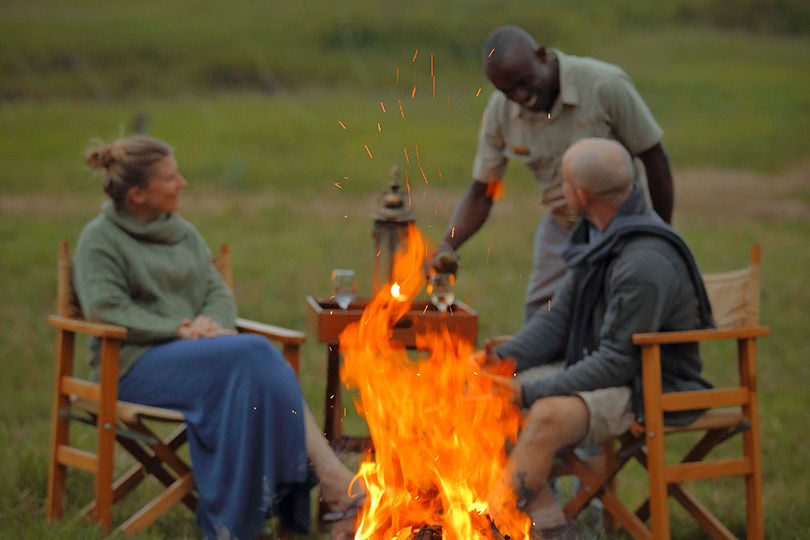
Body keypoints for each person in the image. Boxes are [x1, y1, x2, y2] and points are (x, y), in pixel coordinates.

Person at [73, 135, 361, 540]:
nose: (183, 183)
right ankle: (331, 485)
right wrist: (179, 329)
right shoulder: (100, 240)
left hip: (198, 357)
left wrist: (210, 325)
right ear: (138, 194)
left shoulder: (183, 233)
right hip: (132, 365)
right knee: (258, 355)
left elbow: (217, 294)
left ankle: (309, 495)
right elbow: (107, 310)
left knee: (256, 366)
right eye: (171, 178)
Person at [481, 138, 712, 539]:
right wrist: (498, 359)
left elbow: (617, 362)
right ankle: (551, 525)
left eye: (564, 183)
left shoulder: (644, 260)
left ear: (581, 194)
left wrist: (529, 392)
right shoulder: (601, 235)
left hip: (649, 384)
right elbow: (557, 321)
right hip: (614, 373)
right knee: (484, 398)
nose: (560, 191)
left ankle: (491, 525)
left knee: (545, 415)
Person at [434, 25, 674, 321]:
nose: (522, 96)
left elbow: (655, 158)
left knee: (619, 315)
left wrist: (660, 235)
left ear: (542, 55)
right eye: (508, 92)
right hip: (561, 225)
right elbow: (482, 192)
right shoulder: (499, 112)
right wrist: (446, 246)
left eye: (526, 82)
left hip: (619, 223)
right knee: (542, 317)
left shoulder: (603, 85)